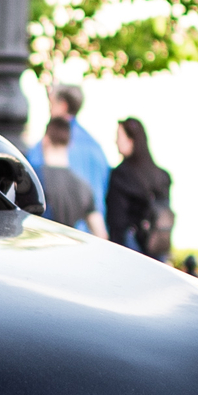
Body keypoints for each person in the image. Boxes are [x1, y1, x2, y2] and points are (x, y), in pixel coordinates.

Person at [24, 82, 108, 215]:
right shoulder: (96, 148)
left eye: (51, 105)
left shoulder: (47, 144)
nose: (49, 110)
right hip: (90, 230)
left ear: (62, 106)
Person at [104, 117, 174, 261]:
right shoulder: (162, 176)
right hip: (158, 247)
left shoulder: (121, 175)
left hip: (131, 249)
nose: (115, 141)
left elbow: (117, 220)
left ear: (131, 140)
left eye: (119, 137)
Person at [36, 115, 104, 236]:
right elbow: (101, 233)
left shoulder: (34, 178)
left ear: (45, 140)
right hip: (67, 250)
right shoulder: (83, 186)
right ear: (70, 143)